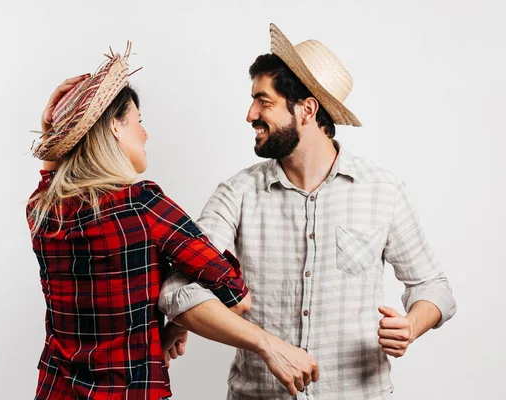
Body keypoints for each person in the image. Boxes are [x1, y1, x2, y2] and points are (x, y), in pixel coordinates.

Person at [159, 24, 457, 399]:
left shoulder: (382, 190)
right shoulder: (237, 193)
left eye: (263, 101)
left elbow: (434, 287)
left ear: (307, 109)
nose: (250, 114)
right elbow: (177, 290)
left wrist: (412, 324)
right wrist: (268, 345)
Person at [28, 43, 319, 400]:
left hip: (54, 390)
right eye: (138, 122)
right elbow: (236, 295)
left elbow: (50, 177)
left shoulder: (42, 211)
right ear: (115, 128)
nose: (145, 133)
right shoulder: (143, 205)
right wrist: (180, 312)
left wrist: (52, 131)